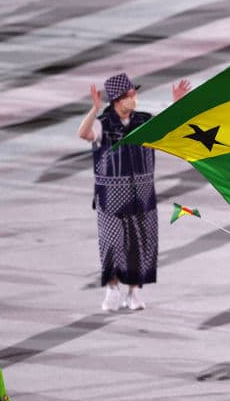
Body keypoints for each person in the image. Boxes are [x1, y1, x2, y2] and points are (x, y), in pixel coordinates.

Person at [77, 73, 190, 312]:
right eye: (129, 95)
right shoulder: (104, 123)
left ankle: (135, 292)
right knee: (111, 244)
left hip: (142, 195)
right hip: (111, 197)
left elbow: (169, 127)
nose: (134, 98)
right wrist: (94, 109)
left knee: (141, 245)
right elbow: (84, 133)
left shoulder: (143, 121)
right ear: (117, 99)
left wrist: (177, 103)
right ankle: (112, 289)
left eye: (134, 94)